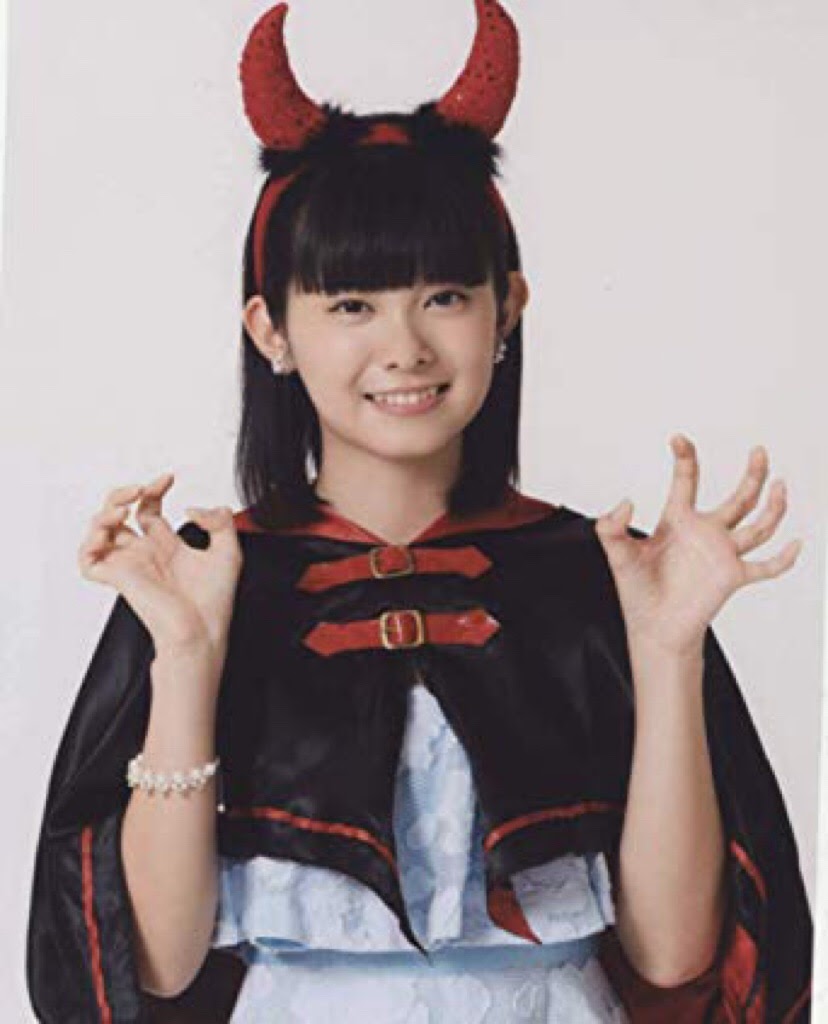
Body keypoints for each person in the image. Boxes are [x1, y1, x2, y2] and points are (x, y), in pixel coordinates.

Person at [25, 1, 813, 1021]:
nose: (404, 348)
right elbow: (162, 967)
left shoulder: (603, 575)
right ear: (271, 330)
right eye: (351, 304)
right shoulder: (206, 579)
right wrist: (183, 653)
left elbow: (672, 954)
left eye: (444, 296)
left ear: (506, 309)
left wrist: (667, 651)